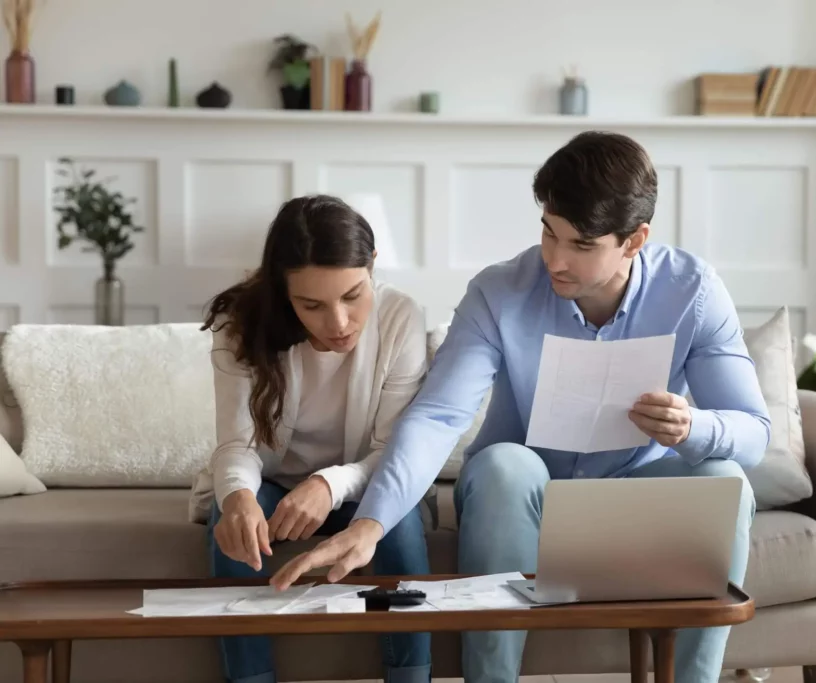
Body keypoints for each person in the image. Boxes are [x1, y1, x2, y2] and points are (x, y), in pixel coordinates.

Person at [269, 132, 771, 683]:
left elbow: (753, 434)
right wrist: (370, 524)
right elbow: (438, 416)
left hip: (638, 497)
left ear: (634, 241)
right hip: (523, 496)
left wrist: (693, 425)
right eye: (548, 233)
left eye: (582, 246)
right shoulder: (499, 291)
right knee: (505, 464)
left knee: (725, 477)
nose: (554, 259)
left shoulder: (693, 291)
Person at [188, 194, 433, 683]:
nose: (339, 323)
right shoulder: (242, 325)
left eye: (352, 295)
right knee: (232, 518)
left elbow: (392, 453)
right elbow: (236, 445)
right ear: (284, 291)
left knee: (398, 522)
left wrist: (327, 485)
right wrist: (237, 496)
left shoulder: (401, 317)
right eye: (312, 304)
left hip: (360, 482)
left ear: (373, 267)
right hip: (273, 481)